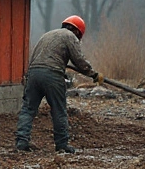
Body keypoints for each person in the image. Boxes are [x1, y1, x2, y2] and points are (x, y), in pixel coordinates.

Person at [15, 15, 103, 154]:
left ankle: (21, 142)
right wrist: (94, 74)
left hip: (33, 73)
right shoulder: (69, 36)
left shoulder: (47, 35)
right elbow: (79, 60)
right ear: (77, 32)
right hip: (52, 75)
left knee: (28, 109)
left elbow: (34, 57)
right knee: (58, 110)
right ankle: (62, 144)